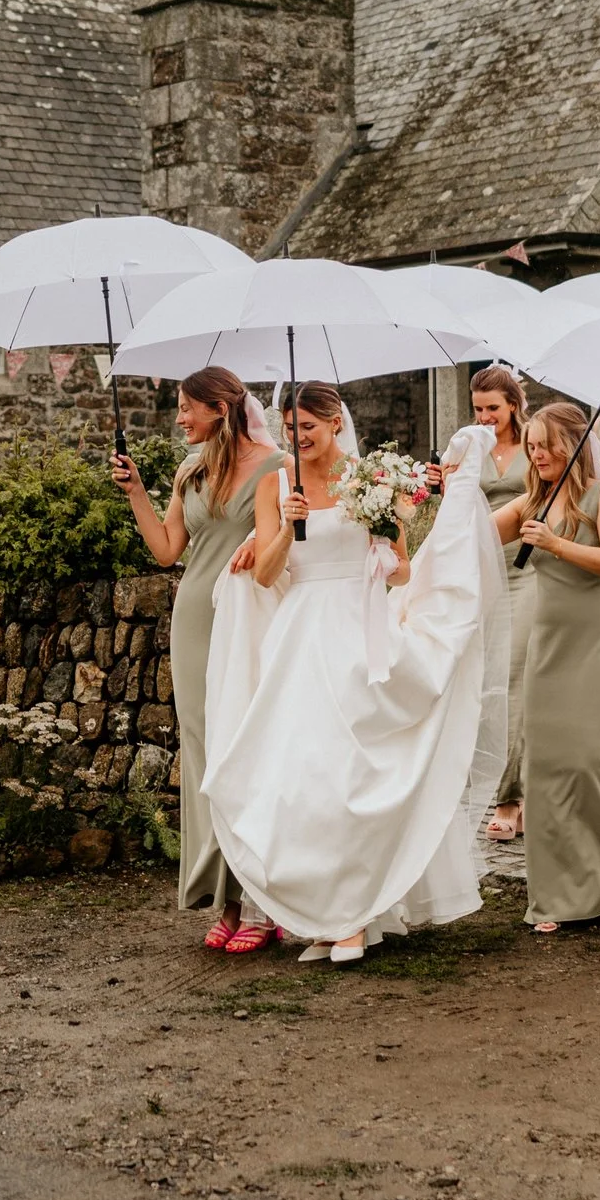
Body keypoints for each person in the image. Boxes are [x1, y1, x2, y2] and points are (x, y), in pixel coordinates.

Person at [200, 386, 509, 964]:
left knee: (352, 777)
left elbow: (402, 571)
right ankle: (325, 916)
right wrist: (287, 528)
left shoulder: (371, 478)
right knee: (304, 779)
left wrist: (382, 555)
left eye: (308, 427)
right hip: (299, 638)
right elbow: (268, 576)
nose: (298, 438)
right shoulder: (275, 482)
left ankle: (356, 919)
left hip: (357, 634)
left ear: (335, 422)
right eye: (290, 430)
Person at [111, 366, 287, 953]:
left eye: (188, 408)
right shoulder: (192, 469)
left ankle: (266, 901)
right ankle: (226, 898)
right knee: (206, 752)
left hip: (249, 618)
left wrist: (263, 540)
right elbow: (166, 551)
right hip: (194, 619)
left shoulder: (274, 464)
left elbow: (286, 540)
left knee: (250, 749)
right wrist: (136, 489)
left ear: (219, 407)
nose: (180, 418)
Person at [493, 401, 600, 932]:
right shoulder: (532, 500)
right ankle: (558, 894)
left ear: (572, 443)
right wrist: (431, 493)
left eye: (545, 444)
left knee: (587, 756)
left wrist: (557, 543)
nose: (536, 454)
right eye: (532, 445)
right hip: (551, 642)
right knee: (546, 764)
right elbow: (475, 532)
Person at [430, 367, 535, 841]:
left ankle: (511, 799)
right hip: (476, 575)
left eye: (494, 407)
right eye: (478, 409)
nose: (485, 417)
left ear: (513, 403)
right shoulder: (468, 443)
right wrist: (441, 485)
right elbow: (455, 508)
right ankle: (475, 780)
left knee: (511, 680)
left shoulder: (536, 443)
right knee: (477, 679)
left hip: (526, 571)